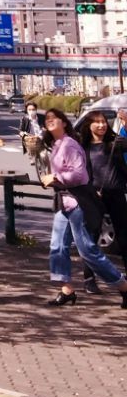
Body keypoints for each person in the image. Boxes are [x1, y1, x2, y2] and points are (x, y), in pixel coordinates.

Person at [40, 107, 127, 308]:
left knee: (88, 250)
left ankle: (123, 286)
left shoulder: (70, 144)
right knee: (58, 246)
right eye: (48, 119)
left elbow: (79, 175)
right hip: (65, 201)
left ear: (64, 122)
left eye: (56, 118)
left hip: (78, 201)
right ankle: (67, 290)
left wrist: (55, 177)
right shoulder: (58, 144)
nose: (51, 121)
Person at [75, 108, 127, 292]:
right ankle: (89, 280)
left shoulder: (116, 143)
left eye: (104, 121)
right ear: (89, 126)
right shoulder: (83, 147)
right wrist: (89, 190)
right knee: (91, 238)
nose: (101, 125)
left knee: (123, 236)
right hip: (94, 195)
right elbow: (80, 172)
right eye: (97, 122)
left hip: (117, 193)